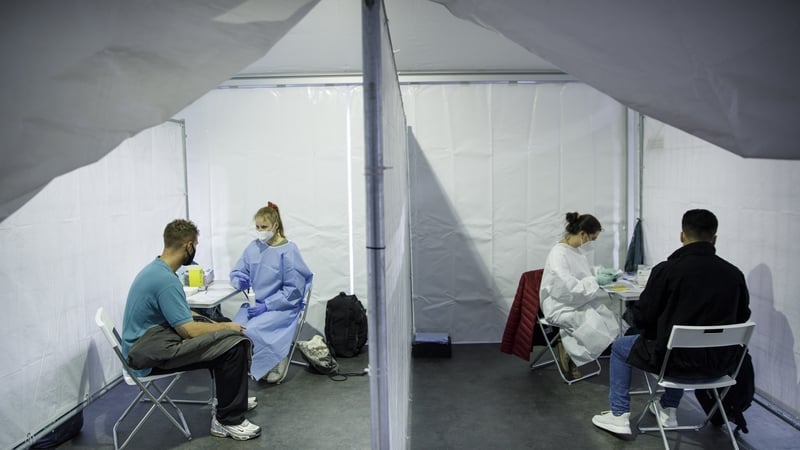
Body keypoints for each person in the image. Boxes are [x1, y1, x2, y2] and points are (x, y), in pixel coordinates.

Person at [592, 209, 751, 436]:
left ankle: (618, 415)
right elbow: (742, 318)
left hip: (673, 363)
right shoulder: (734, 274)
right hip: (720, 365)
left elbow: (643, 318)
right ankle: (668, 409)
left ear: (682, 236)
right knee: (678, 343)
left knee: (620, 348)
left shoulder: (667, 271)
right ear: (714, 238)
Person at [121, 219, 261, 441]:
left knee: (223, 327)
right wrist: (228, 328)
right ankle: (228, 420)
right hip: (149, 356)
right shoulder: (165, 280)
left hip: (149, 342)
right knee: (234, 345)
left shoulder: (157, 270)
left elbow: (182, 314)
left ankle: (230, 399)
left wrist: (218, 325)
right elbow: (187, 330)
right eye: (195, 244)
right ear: (188, 246)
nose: (195, 249)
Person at [231, 202, 313, 383]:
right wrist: (240, 279)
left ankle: (278, 357)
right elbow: (238, 271)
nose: (260, 231)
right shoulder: (253, 247)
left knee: (253, 329)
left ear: (275, 226)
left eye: (264, 227)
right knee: (234, 329)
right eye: (258, 227)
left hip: (282, 306)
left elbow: (293, 290)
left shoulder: (288, 251)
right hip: (255, 305)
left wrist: (267, 305)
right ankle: (257, 363)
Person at [540, 212, 625, 378]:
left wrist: (599, 273)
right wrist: (595, 281)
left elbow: (582, 274)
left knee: (611, 318)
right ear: (582, 234)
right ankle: (571, 351)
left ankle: (574, 351)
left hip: (575, 301)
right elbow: (568, 287)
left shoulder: (574, 250)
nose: (590, 243)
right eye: (591, 239)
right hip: (560, 305)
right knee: (594, 324)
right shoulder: (558, 254)